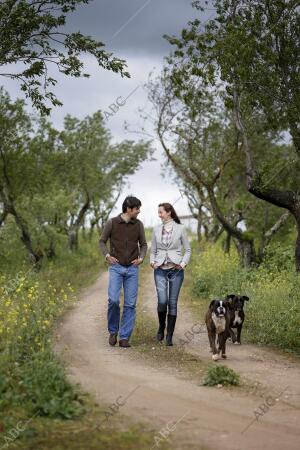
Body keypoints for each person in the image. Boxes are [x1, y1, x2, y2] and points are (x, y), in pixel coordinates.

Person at [99, 196, 147, 348]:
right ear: (128, 209)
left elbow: (144, 244)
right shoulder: (112, 222)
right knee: (113, 300)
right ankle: (113, 331)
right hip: (116, 267)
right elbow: (102, 241)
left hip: (132, 268)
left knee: (130, 304)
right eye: (137, 208)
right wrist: (107, 255)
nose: (139, 211)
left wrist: (141, 258)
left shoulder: (138, 224)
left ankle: (124, 337)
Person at [150, 202, 191, 346]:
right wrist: (152, 262)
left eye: (161, 212)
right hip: (160, 269)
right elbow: (153, 250)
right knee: (162, 301)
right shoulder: (156, 229)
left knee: (172, 303)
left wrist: (183, 263)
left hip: (176, 270)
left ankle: (169, 336)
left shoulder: (180, 229)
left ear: (168, 212)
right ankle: (161, 327)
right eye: (159, 212)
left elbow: (188, 250)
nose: (159, 214)